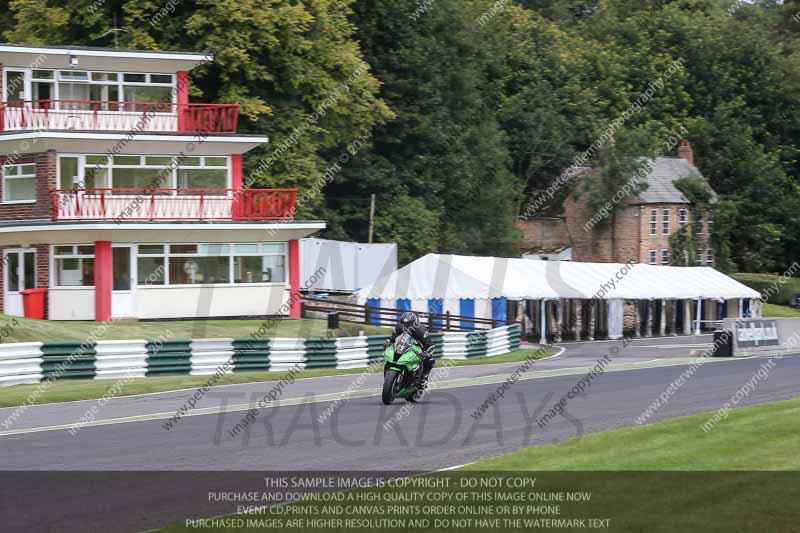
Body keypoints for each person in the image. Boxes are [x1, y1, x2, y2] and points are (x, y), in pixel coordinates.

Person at [387, 311, 435, 388]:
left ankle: (424, 378)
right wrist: (388, 342)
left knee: (430, 360)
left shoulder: (421, 330)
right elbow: (393, 336)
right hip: (404, 345)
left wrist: (426, 353)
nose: (405, 326)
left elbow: (430, 345)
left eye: (408, 324)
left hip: (419, 348)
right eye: (403, 324)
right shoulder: (399, 326)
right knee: (392, 353)